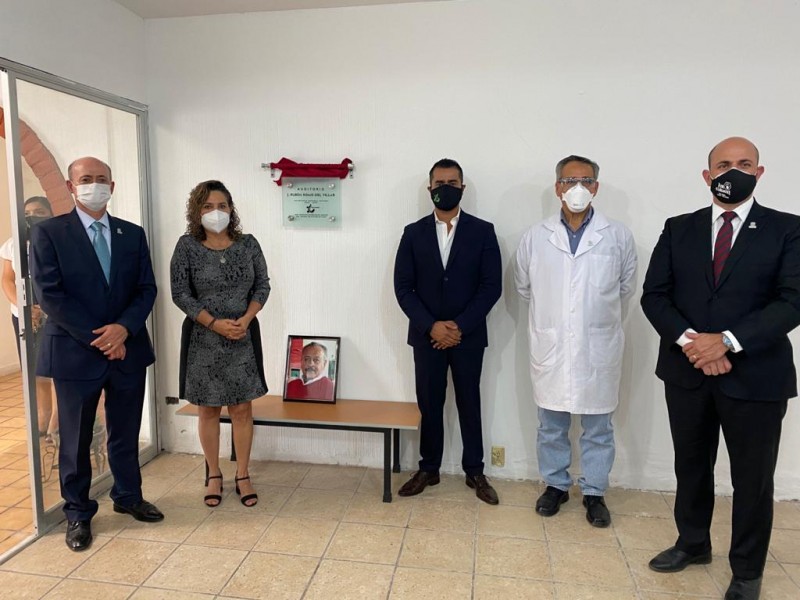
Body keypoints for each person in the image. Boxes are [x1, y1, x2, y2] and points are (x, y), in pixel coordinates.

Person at [641, 137, 800, 600]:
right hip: (686, 371)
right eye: (724, 164)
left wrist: (726, 341)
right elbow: (655, 295)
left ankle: (747, 570)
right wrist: (694, 343)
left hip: (756, 376)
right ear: (707, 175)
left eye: (744, 164)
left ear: (759, 172)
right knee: (691, 466)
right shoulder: (679, 228)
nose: (734, 171)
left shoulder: (788, 229)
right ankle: (692, 543)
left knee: (753, 478)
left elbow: (792, 301)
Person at [29, 157, 163, 552]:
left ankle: (128, 496)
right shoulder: (49, 233)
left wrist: (123, 329)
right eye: (85, 179)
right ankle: (78, 512)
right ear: (71, 187)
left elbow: (146, 289)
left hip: (127, 350)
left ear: (112, 186)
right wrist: (102, 337)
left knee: (125, 431)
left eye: (101, 179)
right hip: (74, 353)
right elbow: (49, 295)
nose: (94, 185)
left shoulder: (131, 234)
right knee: (75, 439)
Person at [514, 155, 637, 528]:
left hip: (598, 346)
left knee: (598, 428)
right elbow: (524, 288)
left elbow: (626, 287)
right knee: (551, 424)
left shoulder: (617, 236)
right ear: (558, 188)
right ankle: (555, 485)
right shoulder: (536, 237)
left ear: (596, 187)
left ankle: (595, 492)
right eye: (569, 181)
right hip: (551, 345)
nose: (577, 188)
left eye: (585, 180)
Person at [394, 158, 502, 504]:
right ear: (430, 188)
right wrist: (432, 326)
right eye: (439, 183)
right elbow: (403, 288)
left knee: (470, 402)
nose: (445, 188)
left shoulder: (483, 231)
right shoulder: (413, 233)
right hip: (426, 336)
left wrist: (459, 326)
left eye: (452, 183)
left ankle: (475, 470)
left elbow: (491, 286)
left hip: (467, 336)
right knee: (430, 403)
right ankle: (429, 468)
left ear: (462, 188)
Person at [170, 180, 270, 509]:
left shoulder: (248, 244)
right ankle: (213, 473)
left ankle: (243, 474)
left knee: (242, 408)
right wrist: (214, 323)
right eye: (208, 206)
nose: (216, 212)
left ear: (231, 209)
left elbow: (262, 285)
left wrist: (246, 319)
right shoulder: (187, 246)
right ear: (197, 211)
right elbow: (180, 293)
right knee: (209, 408)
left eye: (222, 205)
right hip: (203, 338)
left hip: (242, 335)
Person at [1, 196, 58, 438]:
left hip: (54, 314)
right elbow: (7, 280)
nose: (32, 217)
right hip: (24, 317)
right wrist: (24, 307)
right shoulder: (12, 244)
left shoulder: (59, 240)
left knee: (56, 368)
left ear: (50, 214)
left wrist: (44, 308)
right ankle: (43, 416)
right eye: (27, 213)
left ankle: (57, 420)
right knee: (35, 369)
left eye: (39, 212)